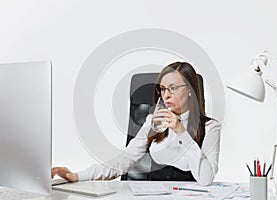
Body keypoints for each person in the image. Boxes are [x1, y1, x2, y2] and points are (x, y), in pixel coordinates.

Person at [52, 61, 221, 186]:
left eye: (173, 88)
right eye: (162, 89)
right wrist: (78, 175)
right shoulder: (154, 122)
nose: (166, 95)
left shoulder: (210, 127)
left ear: (190, 90)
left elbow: (206, 179)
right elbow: (124, 160)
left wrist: (180, 130)